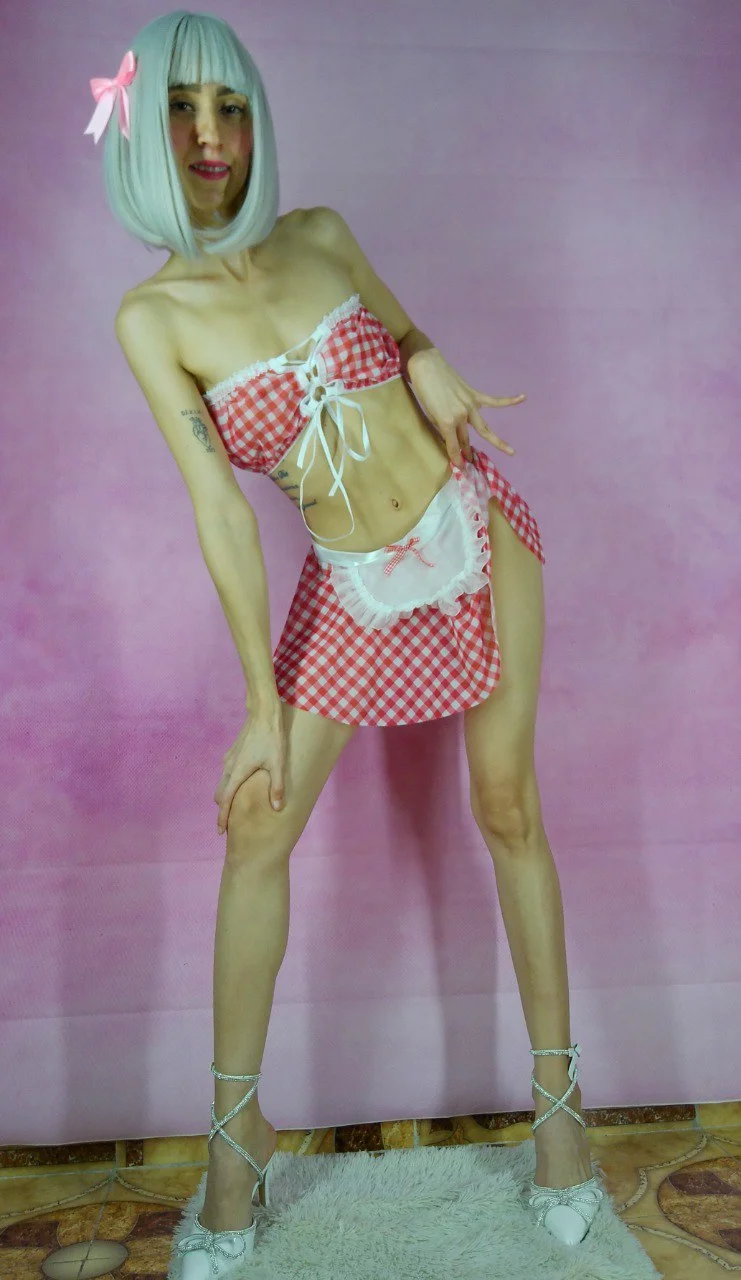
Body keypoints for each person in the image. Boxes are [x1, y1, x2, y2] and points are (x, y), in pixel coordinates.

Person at [89, 10, 604, 1276]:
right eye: (181, 108)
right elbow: (221, 509)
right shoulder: (154, 319)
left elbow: (406, 331)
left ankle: (562, 1118)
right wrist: (258, 705)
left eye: (231, 105)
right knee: (257, 824)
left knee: (508, 807)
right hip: (356, 582)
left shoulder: (318, 234)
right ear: (143, 129)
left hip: (472, 528)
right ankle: (237, 1143)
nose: (211, 134)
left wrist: (429, 364)